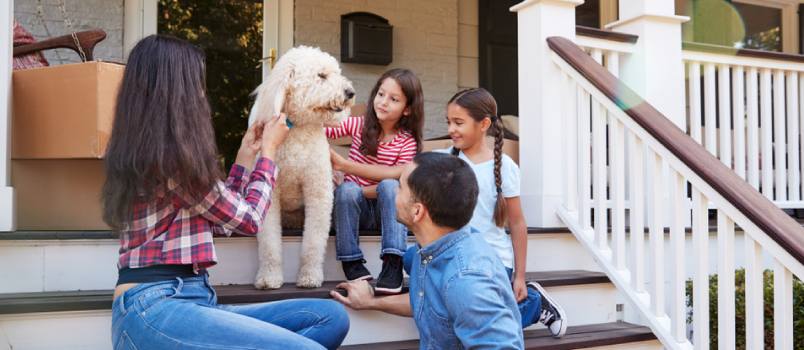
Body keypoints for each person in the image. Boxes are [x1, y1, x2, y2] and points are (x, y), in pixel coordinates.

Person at [104, 35, 348, 350]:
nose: (203, 93)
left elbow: (223, 220)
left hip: (192, 298)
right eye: (197, 83)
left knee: (330, 317)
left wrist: (245, 158)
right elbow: (249, 221)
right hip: (155, 306)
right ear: (176, 92)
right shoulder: (171, 160)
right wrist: (269, 153)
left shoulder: (158, 152)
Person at [330, 88, 567, 337]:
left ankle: (533, 304)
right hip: (450, 255)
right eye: (449, 122)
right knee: (411, 258)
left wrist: (519, 276)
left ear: (484, 124)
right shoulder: (442, 160)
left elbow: (517, 223)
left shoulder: (504, 167)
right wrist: (346, 167)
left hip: (490, 260)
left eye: (459, 123)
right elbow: (394, 172)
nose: (451, 129)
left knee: (462, 320)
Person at [332, 152, 524, 348]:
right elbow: (432, 302)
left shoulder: (467, 281)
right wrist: (371, 302)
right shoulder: (431, 249)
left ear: (417, 211)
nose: (393, 193)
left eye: (400, 187)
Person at [326, 68, 424, 294]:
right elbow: (321, 130)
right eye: (381, 94)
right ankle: (351, 260)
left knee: (389, 186)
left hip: (386, 214)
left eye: (394, 99)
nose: (383, 102)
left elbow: (398, 177)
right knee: (347, 190)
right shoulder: (359, 125)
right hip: (354, 210)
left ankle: (393, 262)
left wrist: (349, 172)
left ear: (407, 109)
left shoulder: (407, 142)